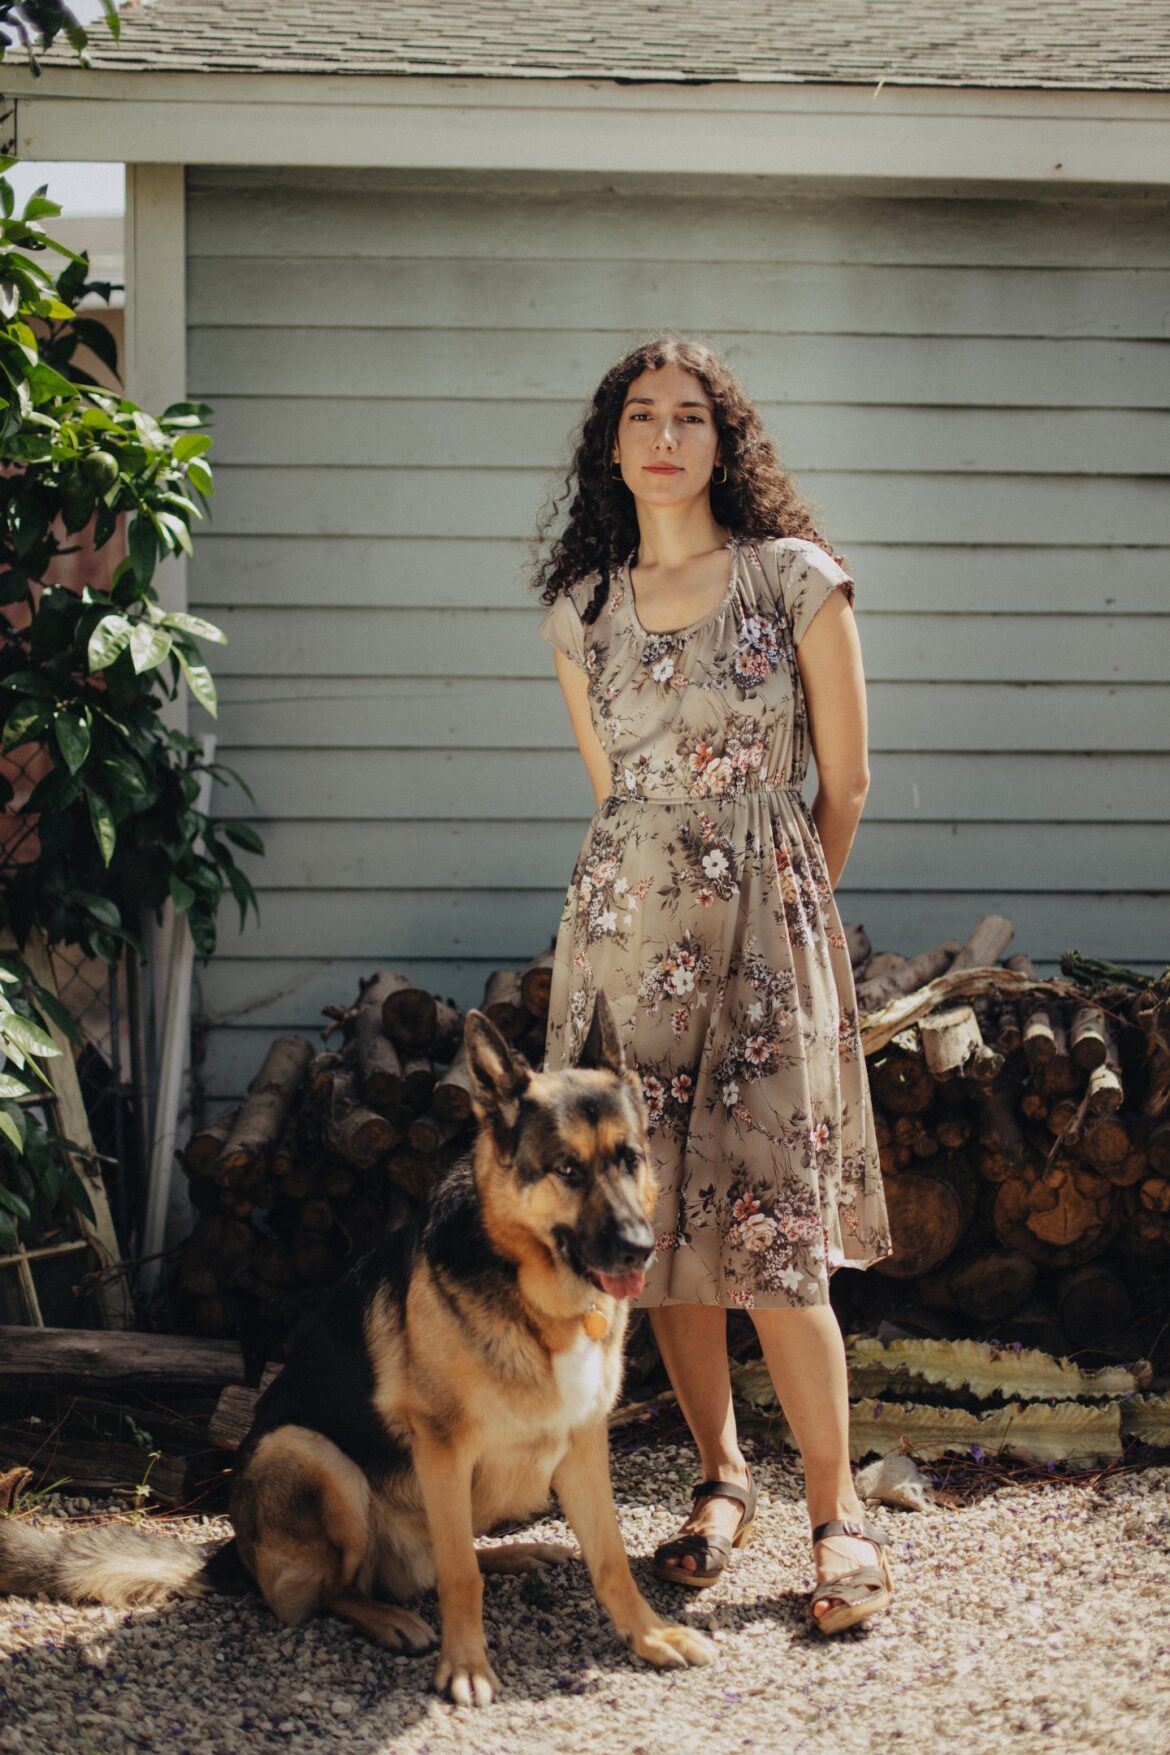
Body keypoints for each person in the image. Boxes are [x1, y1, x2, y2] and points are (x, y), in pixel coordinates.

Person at [531, 335, 895, 1634]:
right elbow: (609, 793)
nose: (666, 437)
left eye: (691, 416)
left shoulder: (793, 579)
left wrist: (785, 900)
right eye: (642, 415)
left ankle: (835, 1514)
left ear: (722, 443)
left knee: (778, 1248)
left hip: (767, 934)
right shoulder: (580, 605)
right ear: (613, 445)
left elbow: (841, 784)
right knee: (662, 1240)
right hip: (624, 942)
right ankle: (719, 1481)